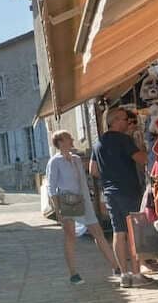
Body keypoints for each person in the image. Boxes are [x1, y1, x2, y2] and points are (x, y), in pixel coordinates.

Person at [47, 131, 121, 285]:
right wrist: (58, 209)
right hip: (66, 200)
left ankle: (116, 267)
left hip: (83, 200)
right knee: (71, 237)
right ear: (60, 142)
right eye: (69, 138)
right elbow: (51, 187)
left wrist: (93, 202)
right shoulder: (55, 162)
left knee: (98, 233)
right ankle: (74, 274)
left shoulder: (76, 159)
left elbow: (83, 183)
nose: (72, 140)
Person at [90, 106, 148, 287]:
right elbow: (142, 159)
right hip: (128, 190)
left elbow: (93, 170)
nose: (127, 122)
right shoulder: (124, 140)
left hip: (109, 192)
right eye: (124, 119)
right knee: (133, 232)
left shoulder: (98, 143)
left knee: (118, 232)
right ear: (114, 121)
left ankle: (124, 274)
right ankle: (137, 275)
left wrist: (110, 175)